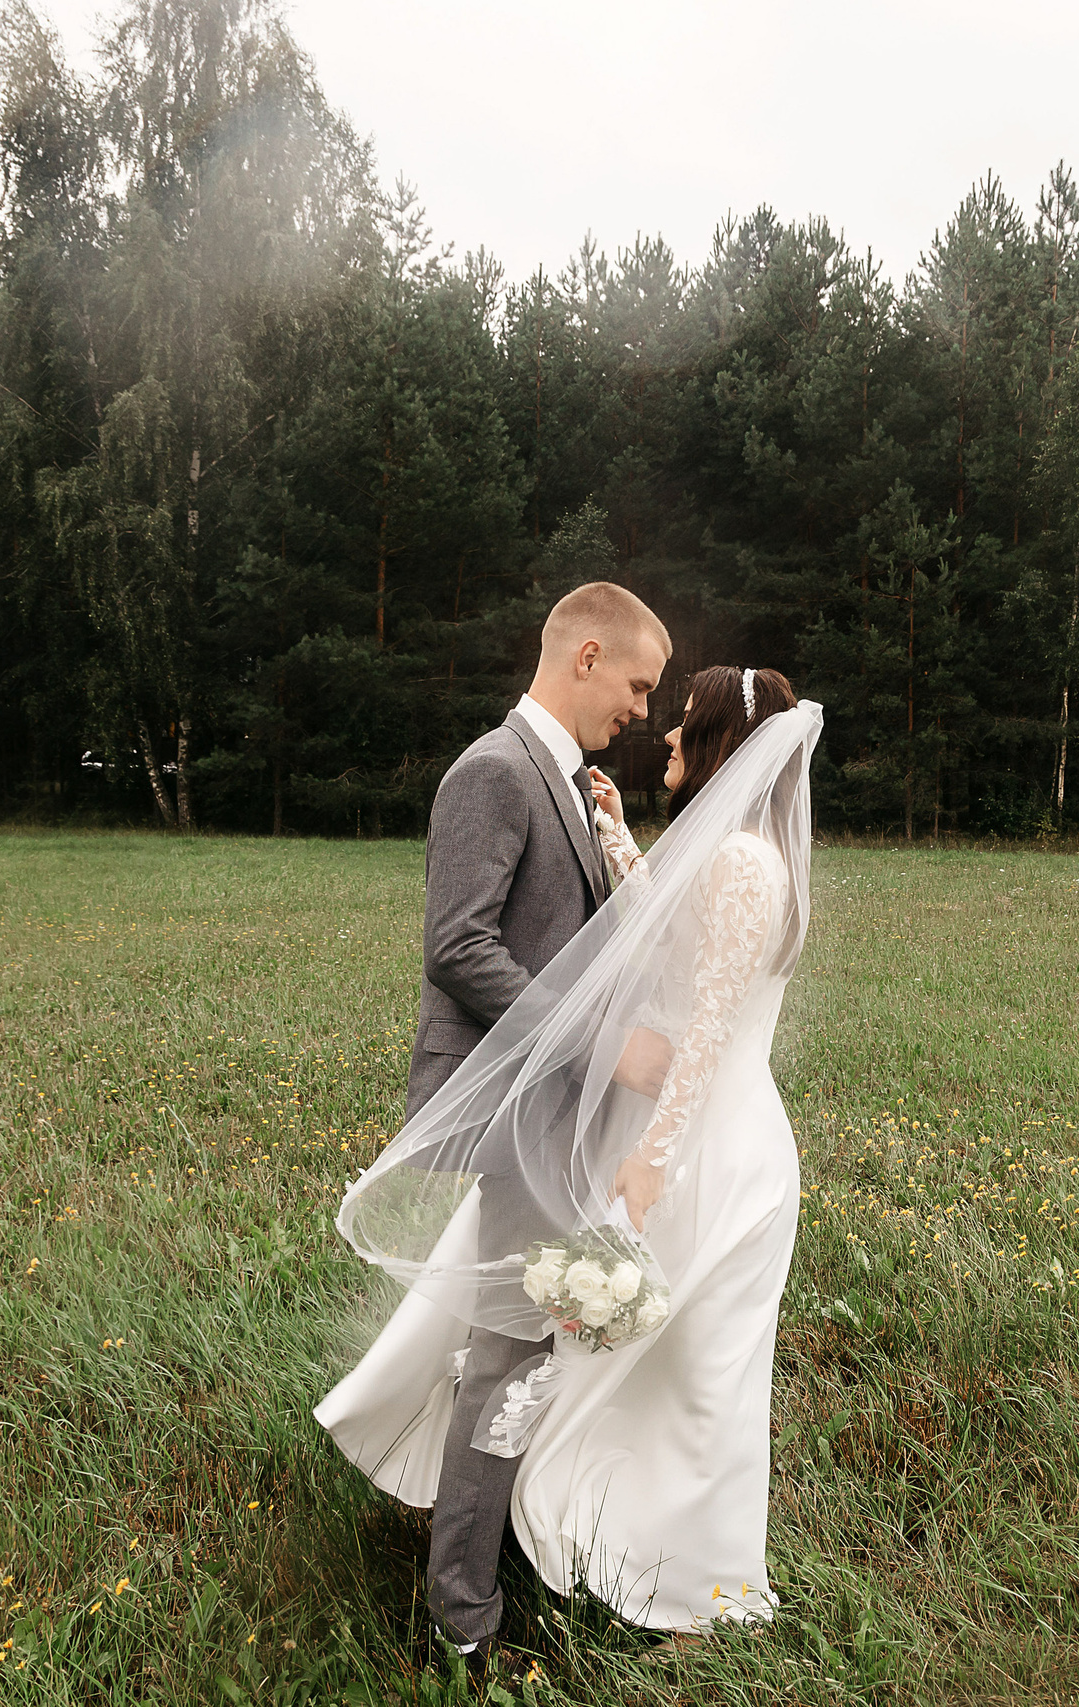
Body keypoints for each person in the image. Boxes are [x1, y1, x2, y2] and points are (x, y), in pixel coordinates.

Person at [319, 664, 821, 1655]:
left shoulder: (740, 863)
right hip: (695, 1134)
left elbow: (706, 1030)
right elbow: (677, 951)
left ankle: (709, 1596)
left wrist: (651, 1161)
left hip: (709, 1149)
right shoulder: (735, 853)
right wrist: (620, 841)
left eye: (683, 722)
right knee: (638, 1360)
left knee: (702, 1378)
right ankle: (609, 1541)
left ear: (721, 744)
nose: (664, 735)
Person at [335, 582, 670, 1660]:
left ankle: (489, 1557)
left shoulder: (569, 781)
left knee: (520, 1347)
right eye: (636, 685)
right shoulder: (493, 770)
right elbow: (460, 947)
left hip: (554, 1117)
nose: (642, 710)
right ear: (585, 655)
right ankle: (464, 1623)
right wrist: (599, 1043)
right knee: (508, 1357)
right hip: (516, 1114)